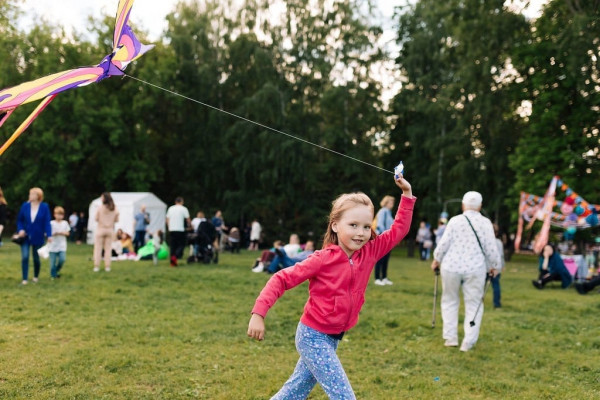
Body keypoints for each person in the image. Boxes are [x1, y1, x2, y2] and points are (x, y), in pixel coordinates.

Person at [247, 174, 414, 399]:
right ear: (335, 225)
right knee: (344, 396)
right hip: (312, 336)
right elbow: (281, 279)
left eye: (366, 226)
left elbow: (398, 231)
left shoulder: (370, 251)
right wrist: (259, 313)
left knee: (294, 392)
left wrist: (406, 194)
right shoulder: (322, 259)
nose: (360, 232)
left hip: (332, 336)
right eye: (353, 225)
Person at [430, 191, 501, 352]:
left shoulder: (455, 221)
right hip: (475, 267)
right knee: (474, 303)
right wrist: (494, 265)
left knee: (449, 300)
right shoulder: (485, 223)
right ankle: (468, 342)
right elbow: (491, 247)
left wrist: (437, 259)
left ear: (463, 205)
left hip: (451, 266)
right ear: (480, 206)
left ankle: (450, 338)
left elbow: (444, 243)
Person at [16, 187, 53, 284]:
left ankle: (36, 276)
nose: (30, 196)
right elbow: (19, 219)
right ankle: (24, 279)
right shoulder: (25, 206)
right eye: (30, 194)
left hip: (38, 235)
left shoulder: (44, 207)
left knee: (36, 258)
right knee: (25, 256)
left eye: (32, 194)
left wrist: (49, 235)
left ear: (38, 196)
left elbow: (47, 222)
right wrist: (20, 230)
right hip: (25, 236)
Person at [93, 192, 119, 272]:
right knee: (108, 249)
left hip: (101, 229)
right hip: (110, 230)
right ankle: (107, 266)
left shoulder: (100, 208)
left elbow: (96, 218)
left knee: (98, 248)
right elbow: (117, 220)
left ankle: (96, 266)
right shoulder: (114, 208)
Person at [374, 195, 395, 286]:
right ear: (386, 202)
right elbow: (380, 225)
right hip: (383, 238)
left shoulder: (389, 212)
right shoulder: (383, 211)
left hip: (388, 239)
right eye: (391, 202)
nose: (392, 204)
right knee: (380, 259)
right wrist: (384, 237)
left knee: (386, 259)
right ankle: (377, 278)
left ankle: (384, 278)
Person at [166, 197, 191, 266]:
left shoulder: (170, 208)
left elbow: (167, 219)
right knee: (181, 245)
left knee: (173, 246)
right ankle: (175, 256)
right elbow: (188, 219)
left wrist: (169, 227)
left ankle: (172, 262)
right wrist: (190, 226)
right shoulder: (184, 209)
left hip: (172, 230)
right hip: (180, 230)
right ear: (181, 202)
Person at [48, 206, 70, 279]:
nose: (59, 216)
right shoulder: (51, 223)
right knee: (52, 263)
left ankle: (56, 270)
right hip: (52, 246)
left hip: (62, 245)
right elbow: (47, 233)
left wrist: (62, 233)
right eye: (57, 214)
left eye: (60, 214)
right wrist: (53, 234)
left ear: (63, 215)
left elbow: (68, 233)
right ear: (54, 214)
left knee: (62, 259)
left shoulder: (65, 223)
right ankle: (53, 276)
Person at [491, 224, 505, 308]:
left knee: (481, 286)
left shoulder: (485, 242)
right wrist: (502, 265)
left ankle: (477, 301)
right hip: (496, 267)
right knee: (496, 285)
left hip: (487, 267)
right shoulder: (499, 242)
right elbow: (501, 255)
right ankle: (497, 304)